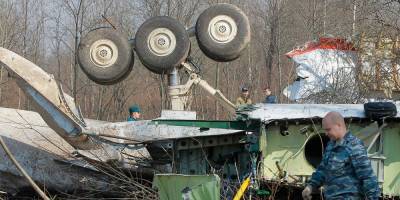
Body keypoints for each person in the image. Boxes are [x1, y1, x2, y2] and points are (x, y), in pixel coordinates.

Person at [302, 111, 380, 199]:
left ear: (339, 125)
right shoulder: (331, 145)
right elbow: (323, 169)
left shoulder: (354, 146)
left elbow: (368, 177)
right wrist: (310, 186)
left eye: (328, 129)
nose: (326, 133)